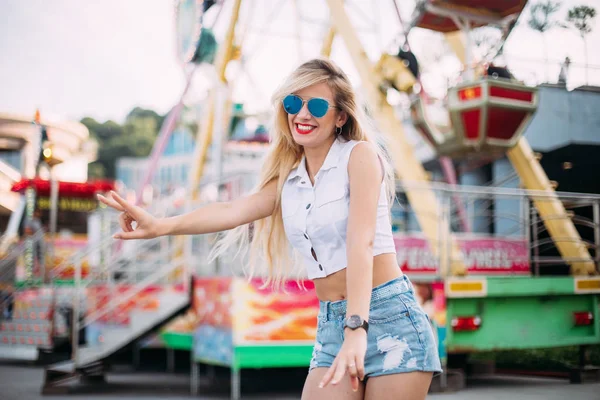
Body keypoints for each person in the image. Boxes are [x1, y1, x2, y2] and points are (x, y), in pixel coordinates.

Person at [98, 58, 441, 399]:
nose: (302, 114)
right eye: (294, 103)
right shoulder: (288, 180)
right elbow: (232, 210)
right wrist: (160, 225)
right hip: (334, 322)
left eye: (317, 105)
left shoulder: (360, 156)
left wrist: (357, 327)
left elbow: (361, 243)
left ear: (340, 116)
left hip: (387, 315)